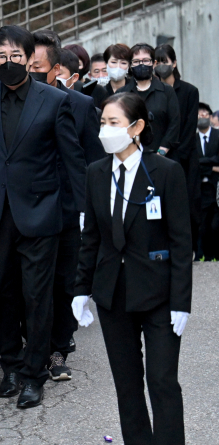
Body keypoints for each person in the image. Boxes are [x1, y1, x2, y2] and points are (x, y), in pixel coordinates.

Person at [0, 25, 86, 408]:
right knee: (1, 293)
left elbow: (72, 160)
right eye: (0, 56)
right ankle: (10, 367)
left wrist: (83, 213)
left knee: (37, 296)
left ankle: (35, 375)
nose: (8, 62)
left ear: (29, 58)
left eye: (16, 56)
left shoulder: (54, 100)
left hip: (41, 212)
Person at [73, 91, 191, 445]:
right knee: (127, 384)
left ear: (136, 127)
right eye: (103, 123)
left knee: (162, 380)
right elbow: (91, 238)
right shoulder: (95, 172)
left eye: (114, 123)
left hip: (158, 294)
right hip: (113, 294)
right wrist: (82, 289)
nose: (105, 130)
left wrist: (182, 301)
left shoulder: (166, 172)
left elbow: (181, 243)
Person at [31, 32, 105, 381]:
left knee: (64, 282)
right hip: (25, 208)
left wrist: (89, 211)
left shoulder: (79, 105)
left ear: (55, 68)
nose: (27, 71)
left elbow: (93, 161)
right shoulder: (2, 102)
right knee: (30, 283)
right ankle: (32, 348)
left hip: (66, 209)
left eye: (35, 66)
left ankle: (59, 348)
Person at [155, 44, 201, 255]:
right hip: (157, 156)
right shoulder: (153, 91)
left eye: (165, 61)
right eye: (157, 62)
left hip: (183, 158)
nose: (161, 66)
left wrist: (174, 155)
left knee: (186, 204)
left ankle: (188, 248)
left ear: (174, 63)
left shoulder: (190, 91)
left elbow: (189, 127)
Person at [118, 43, 181, 156]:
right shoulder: (121, 94)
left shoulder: (166, 91)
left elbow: (174, 123)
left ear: (154, 63)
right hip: (129, 155)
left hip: (163, 156)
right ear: (130, 65)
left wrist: (162, 150)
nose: (141, 65)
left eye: (146, 60)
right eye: (136, 61)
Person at [196, 102, 219, 260]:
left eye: (205, 113)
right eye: (199, 114)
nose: (202, 116)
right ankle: (206, 255)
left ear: (210, 117)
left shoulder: (218, 136)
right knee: (203, 225)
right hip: (200, 188)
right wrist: (211, 166)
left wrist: (203, 163)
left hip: (216, 186)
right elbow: (193, 163)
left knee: (216, 224)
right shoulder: (192, 139)